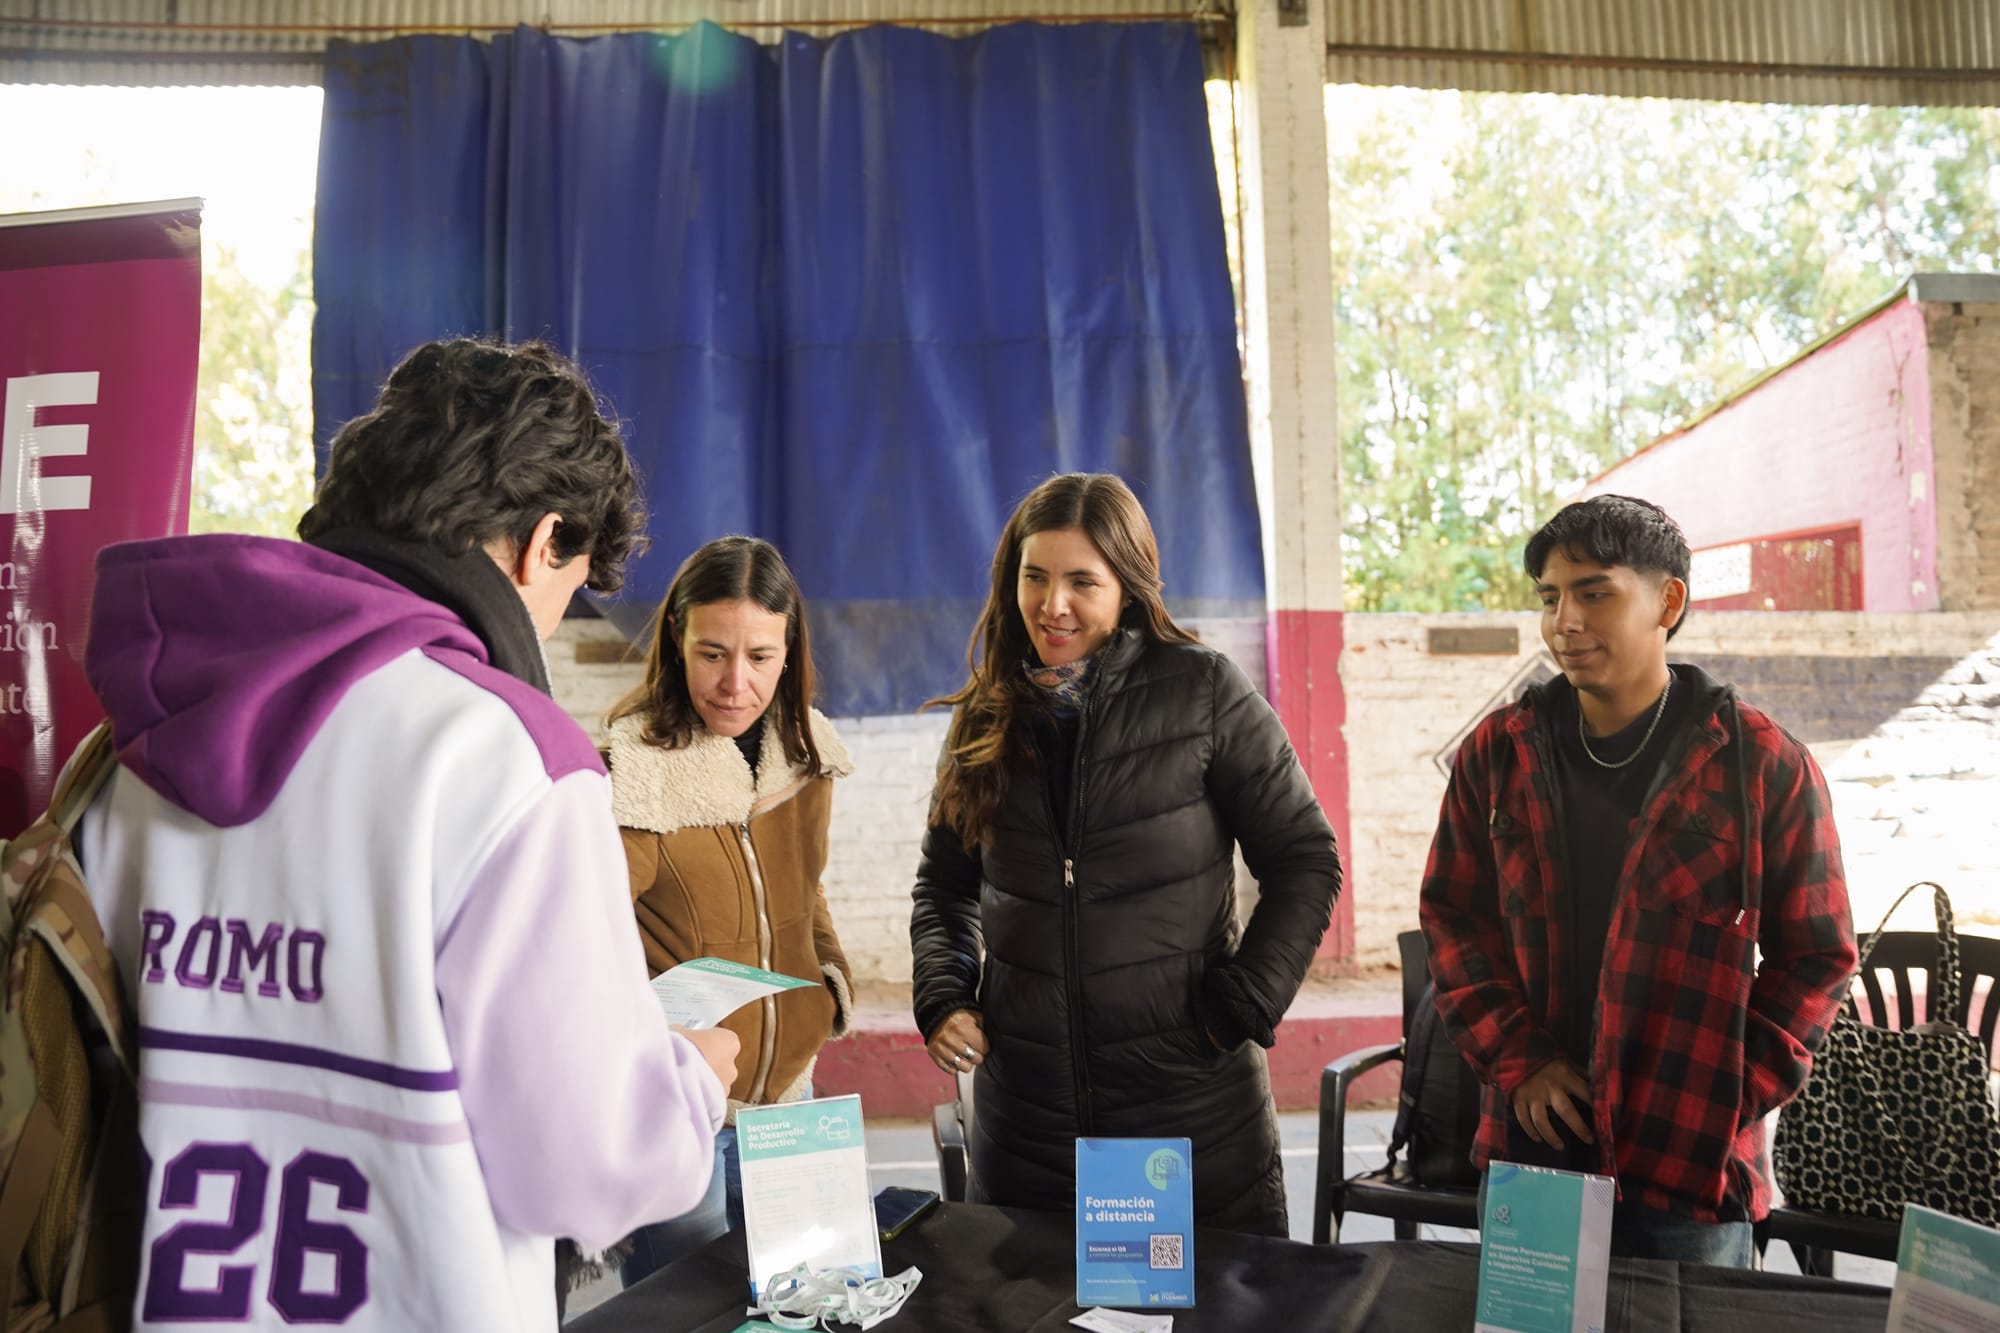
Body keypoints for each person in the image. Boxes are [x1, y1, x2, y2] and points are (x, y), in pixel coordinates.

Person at [74, 338, 738, 1329]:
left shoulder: (132, 747)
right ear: (537, 541)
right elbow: (588, 1170)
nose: (551, 628)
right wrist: (689, 1081)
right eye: (570, 586)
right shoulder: (505, 759)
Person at [1419, 494, 1857, 1266]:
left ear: (1668, 601)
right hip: (1536, 1154)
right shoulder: (1499, 756)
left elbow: (1818, 955)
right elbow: (1454, 921)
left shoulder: (1760, 764)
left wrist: (1730, 1090)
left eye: (1595, 592)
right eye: (1551, 597)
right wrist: (1518, 1056)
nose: (1565, 622)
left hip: (1690, 1167)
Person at [909, 472, 1342, 1237]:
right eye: (1035, 576)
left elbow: (1305, 855)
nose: (1053, 604)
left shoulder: (1205, 690)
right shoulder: (986, 716)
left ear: (1129, 587)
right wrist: (946, 993)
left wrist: (1242, 1002)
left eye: (1083, 581)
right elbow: (944, 887)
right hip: (1026, 1137)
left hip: (1191, 1127)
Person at [604, 536, 855, 1286]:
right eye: (712, 652)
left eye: (760, 656)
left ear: (790, 650)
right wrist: (654, 1044)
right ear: (677, 637)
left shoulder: (807, 754)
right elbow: (586, 933)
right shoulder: (635, 768)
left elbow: (805, 884)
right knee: (686, 1310)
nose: (735, 683)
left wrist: (829, 980)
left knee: (807, 1301)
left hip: (793, 1095)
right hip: (686, 1103)